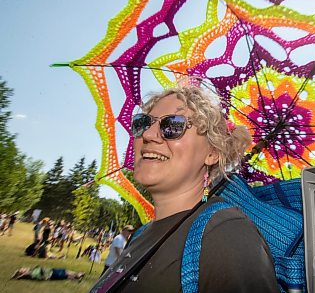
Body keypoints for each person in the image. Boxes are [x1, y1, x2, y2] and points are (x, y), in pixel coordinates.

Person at [91, 85, 279, 292]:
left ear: (212, 153)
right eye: (143, 123)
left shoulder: (226, 236)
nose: (149, 135)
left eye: (172, 125)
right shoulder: (140, 235)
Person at [11, 265, 85, 281]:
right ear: (22, 273)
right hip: (50, 273)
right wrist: (42, 269)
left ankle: (77, 278)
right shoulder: (31, 274)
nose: (24, 268)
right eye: (22, 269)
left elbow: (40, 268)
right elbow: (42, 277)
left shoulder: (32, 270)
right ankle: (78, 275)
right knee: (64, 272)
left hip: (50, 272)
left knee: (65, 275)